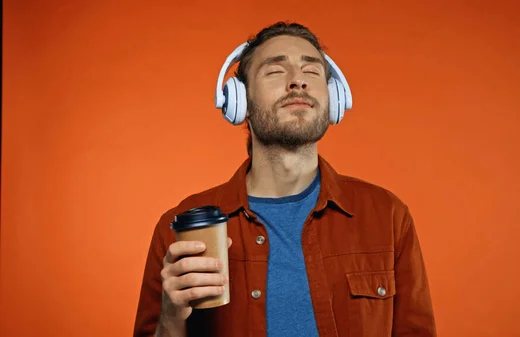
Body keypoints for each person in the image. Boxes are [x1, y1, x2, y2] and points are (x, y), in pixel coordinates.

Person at [133, 21, 436, 337]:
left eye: (312, 72)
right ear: (239, 100)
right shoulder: (181, 228)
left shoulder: (386, 215)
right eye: (276, 71)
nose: (298, 82)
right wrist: (170, 318)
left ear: (334, 98)